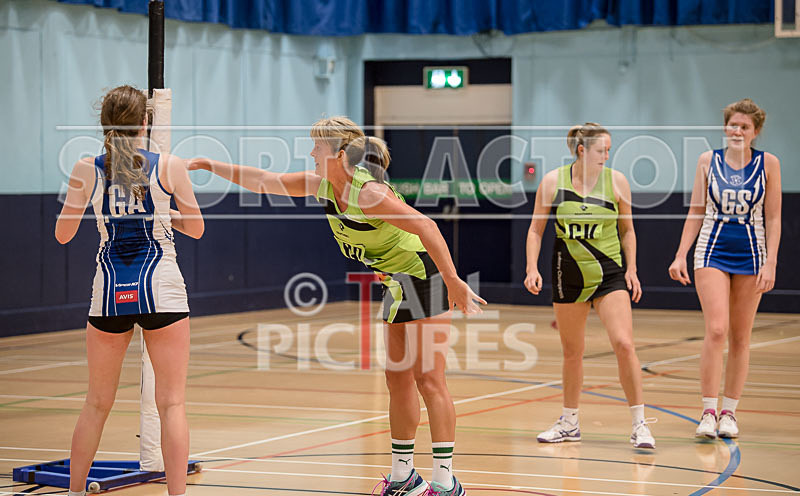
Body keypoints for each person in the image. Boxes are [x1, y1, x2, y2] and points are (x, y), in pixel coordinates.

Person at [187, 116, 485, 496]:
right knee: (397, 380)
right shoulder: (323, 186)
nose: (311, 152)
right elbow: (264, 180)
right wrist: (208, 165)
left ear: (340, 154)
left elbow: (427, 227)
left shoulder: (370, 194)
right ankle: (403, 475)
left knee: (429, 380)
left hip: (424, 277)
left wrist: (455, 282)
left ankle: (446, 483)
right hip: (396, 283)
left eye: (318, 147)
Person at [55, 85, 203, 496]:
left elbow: (63, 235)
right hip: (163, 290)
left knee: (96, 403)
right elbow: (197, 228)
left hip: (109, 291)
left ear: (104, 124)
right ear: (145, 123)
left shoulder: (86, 169)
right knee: (171, 404)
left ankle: (73, 492)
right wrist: (163, 213)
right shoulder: (170, 166)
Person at [524, 122, 656, 449]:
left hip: (610, 275)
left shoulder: (617, 182)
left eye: (609, 150)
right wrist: (531, 267)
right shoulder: (554, 181)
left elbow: (627, 230)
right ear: (582, 150)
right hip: (567, 274)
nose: (607, 155)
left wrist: (633, 269)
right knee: (572, 352)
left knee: (624, 344)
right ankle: (569, 422)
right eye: (602, 150)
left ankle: (640, 423)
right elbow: (536, 230)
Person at [668, 98, 781, 439]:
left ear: (755, 132)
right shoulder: (708, 161)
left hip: (751, 253)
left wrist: (771, 261)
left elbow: (773, 216)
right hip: (711, 251)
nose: (737, 130)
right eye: (733, 125)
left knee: (741, 337)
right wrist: (680, 254)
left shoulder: (768, 164)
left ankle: (729, 413)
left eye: (744, 127)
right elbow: (696, 212)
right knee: (717, 330)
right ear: (725, 127)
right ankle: (707, 411)